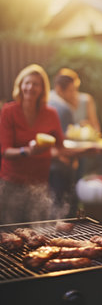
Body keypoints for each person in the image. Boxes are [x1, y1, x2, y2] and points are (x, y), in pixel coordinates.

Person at [0, 64, 65, 224]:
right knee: (10, 232)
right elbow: (4, 150)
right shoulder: (9, 111)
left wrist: (87, 150)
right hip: (12, 183)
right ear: (20, 85)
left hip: (40, 182)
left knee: (38, 230)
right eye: (27, 83)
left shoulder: (51, 113)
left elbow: (60, 146)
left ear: (43, 88)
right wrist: (28, 151)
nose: (30, 87)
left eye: (36, 84)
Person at [48, 72, 79, 218]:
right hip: (60, 164)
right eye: (72, 90)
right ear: (60, 89)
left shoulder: (44, 101)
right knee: (65, 208)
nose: (74, 94)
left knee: (49, 205)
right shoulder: (64, 108)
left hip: (44, 163)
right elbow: (66, 139)